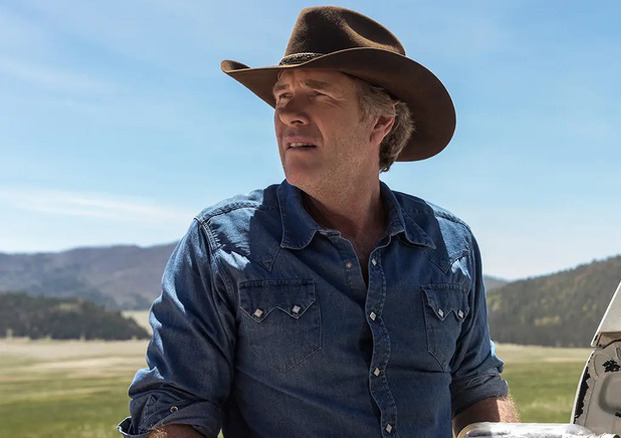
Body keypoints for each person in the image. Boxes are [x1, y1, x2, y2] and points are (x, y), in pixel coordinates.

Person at [119, 6, 516, 438]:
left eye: (318, 94)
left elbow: (476, 385)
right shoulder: (219, 244)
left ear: (381, 122)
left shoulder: (450, 245)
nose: (289, 113)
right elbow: (176, 406)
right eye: (283, 96)